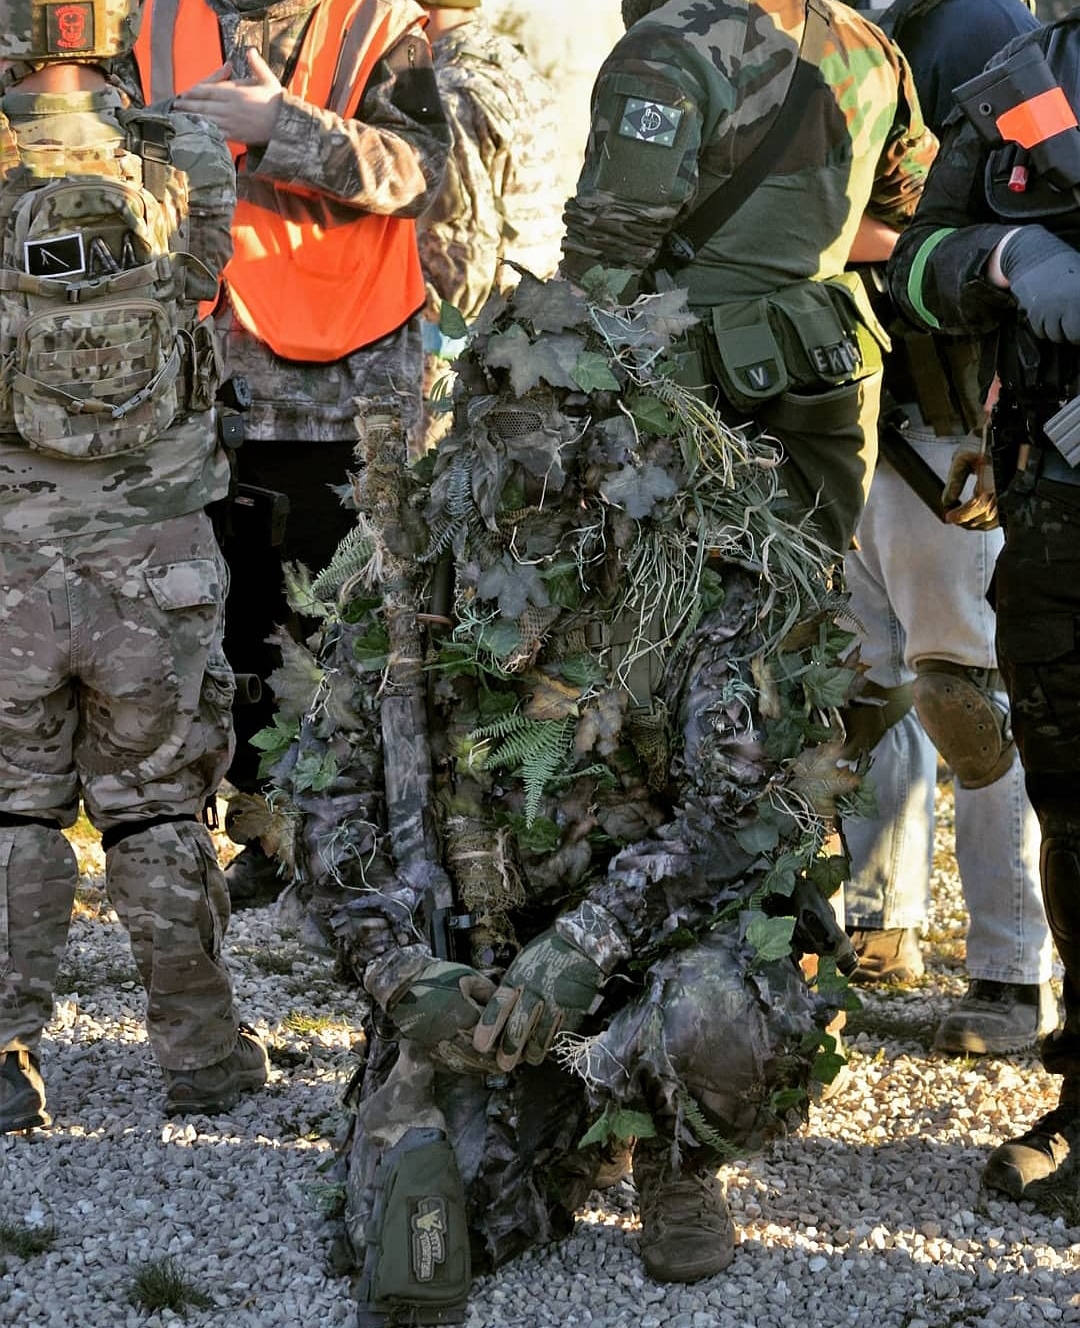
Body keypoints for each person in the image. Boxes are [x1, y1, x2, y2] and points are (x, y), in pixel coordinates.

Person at [257, 1, 935, 1319]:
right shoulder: (407, 588)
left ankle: (678, 1159)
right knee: (435, 1213)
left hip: (635, 949)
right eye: (510, 435)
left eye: (573, 438)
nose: (541, 471)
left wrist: (582, 949)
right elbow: (325, 801)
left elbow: (738, 821)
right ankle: (546, 1115)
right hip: (482, 960)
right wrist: (409, 977)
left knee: (720, 1017)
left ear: (628, 447)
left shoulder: (704, 579)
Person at [0, 0, 268, 1134]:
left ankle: (5, 1062)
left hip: (9, 551)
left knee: (10, 807)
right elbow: (198, 277)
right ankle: (203, 1056)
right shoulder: (183, 152)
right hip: (159, 548)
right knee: (160, 806)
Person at [118, 0, 452, 902]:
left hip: (340, 383)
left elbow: (425, 174)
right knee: (200, 608)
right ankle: (217, 825)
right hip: (185, 371)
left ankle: (321, 836)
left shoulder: (374, 23)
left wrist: (282, 126)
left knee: (328, 616)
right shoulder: (149, 16)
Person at [840, 0, 1056, 1060]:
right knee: (857, 684)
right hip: (851, 410)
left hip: (949, 414)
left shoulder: (977, 29)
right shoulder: (829, 27)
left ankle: (1012, 972)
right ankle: (881, 920)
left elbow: (1007, 232)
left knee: (966, 695)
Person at [890, 8, 1080, 1200]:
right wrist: (1007, 259)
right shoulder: (1031, 77)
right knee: (1076, 807)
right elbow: (917, 265)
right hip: (1062, 511)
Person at [416, 0, 562, 450]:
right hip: (524, 335)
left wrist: (436, 351)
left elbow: (461, 249)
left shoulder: (446, 90)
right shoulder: (512, 67)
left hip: (463, 350)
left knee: (434, 480)